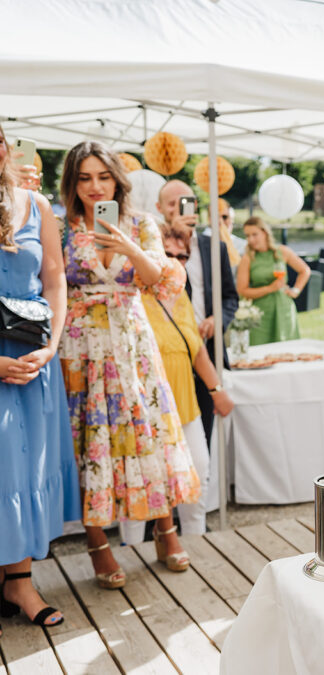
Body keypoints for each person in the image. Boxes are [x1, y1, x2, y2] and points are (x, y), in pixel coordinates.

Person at [60, 141, 200, 587]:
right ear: (72, 183)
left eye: (102, 177)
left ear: (117, 180)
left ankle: (166, 529)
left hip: (133, 342)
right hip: (81, 346)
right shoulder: (62, 227)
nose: (94, 187)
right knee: (90, 442)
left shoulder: (139, 223)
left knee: (149, 434)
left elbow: (161, 280)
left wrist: (129, 247)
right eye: (84, 178)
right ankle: (98, 543)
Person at [0, 124, 80, 632]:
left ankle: (20, 582)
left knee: (23, 471)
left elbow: (54, 279)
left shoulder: (36, 204)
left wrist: (51, 346)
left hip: (32, 358)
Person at [121, 223, 235, 543]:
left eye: (181, 256)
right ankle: (133, 551)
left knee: (197, 476)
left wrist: (217, 391)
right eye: (165, 254)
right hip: (144, 408)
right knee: (142, 487)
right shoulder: (132, 294)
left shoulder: (181, 296)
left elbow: (196, 350)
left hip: (185, 403)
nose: (173, 261)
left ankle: (197, 547)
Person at [156, 180, 239, 443]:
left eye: (185, 203)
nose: (179, 210)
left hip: (208, 350)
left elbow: (230, 298)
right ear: (160, 208)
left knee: (203, 436)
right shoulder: (154, 248)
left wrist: (218, 319)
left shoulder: (214, 247)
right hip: (169, 354)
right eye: (172, 204)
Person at [236, 216, 309, 345]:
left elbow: (305, 271)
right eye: (247, 236)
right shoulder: (247, 258)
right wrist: (270, 288)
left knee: (287, 351)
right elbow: (242, 291)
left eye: (254, 234)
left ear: (264, 232)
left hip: (284, 309)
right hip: (260, 314)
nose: (250, 239)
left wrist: (296, 291)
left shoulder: (282, 252)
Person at [202, 199, 245, 272]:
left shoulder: (241, 244)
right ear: (209, 219)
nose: (220, 221)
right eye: (216, 217)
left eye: (224, 217)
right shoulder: (203, 242)